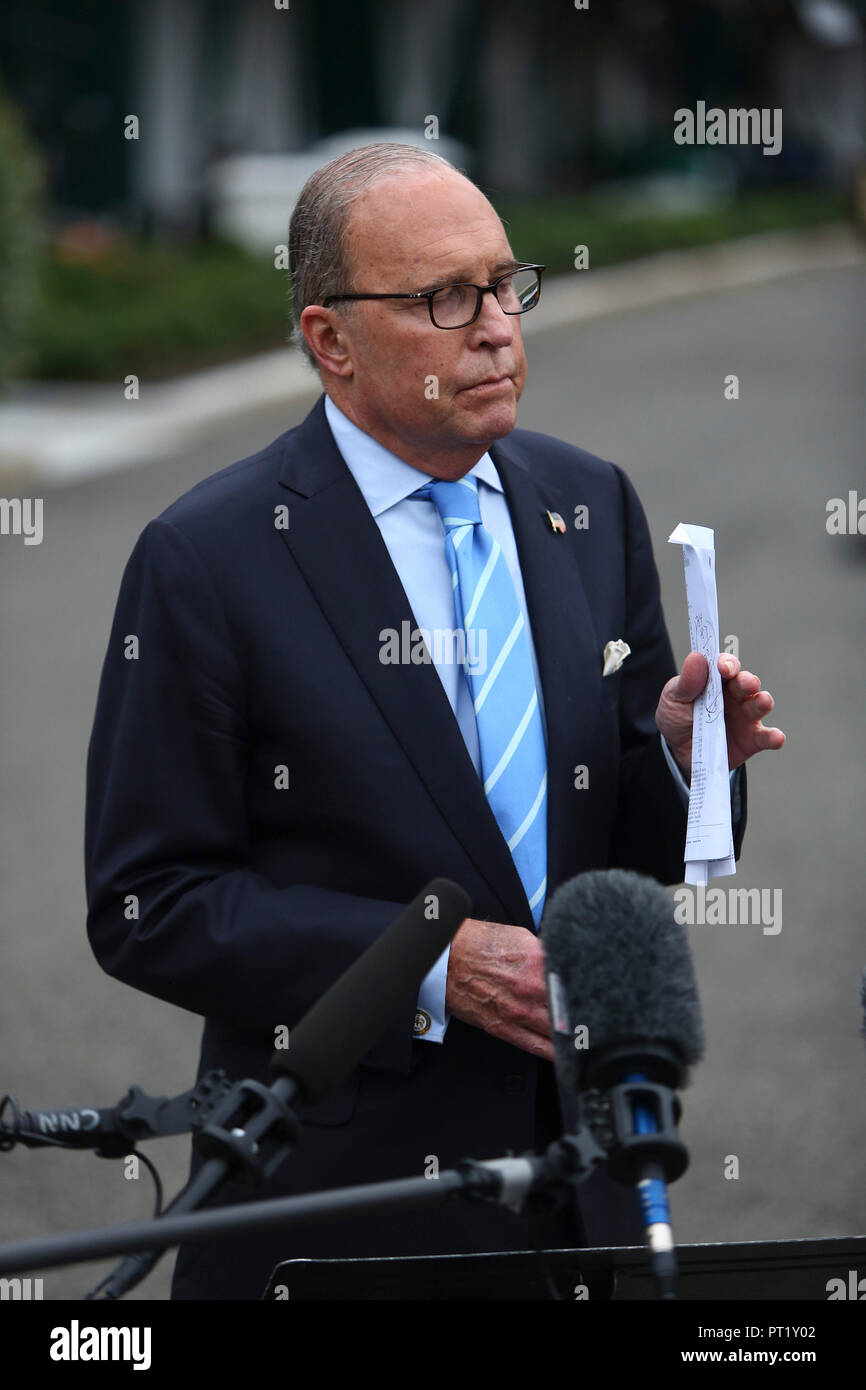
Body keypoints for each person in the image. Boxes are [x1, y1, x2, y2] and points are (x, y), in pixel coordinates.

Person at [84, 143, 784, 1300]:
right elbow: (148, 901)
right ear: (329, 339)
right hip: (337, 1208)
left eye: (507, 284)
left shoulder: (586, 502)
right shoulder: (205, 560)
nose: (498, 326)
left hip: (577, 1188)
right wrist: (426, 968)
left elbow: (627, 859)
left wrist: (676, 754)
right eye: (442, 299)